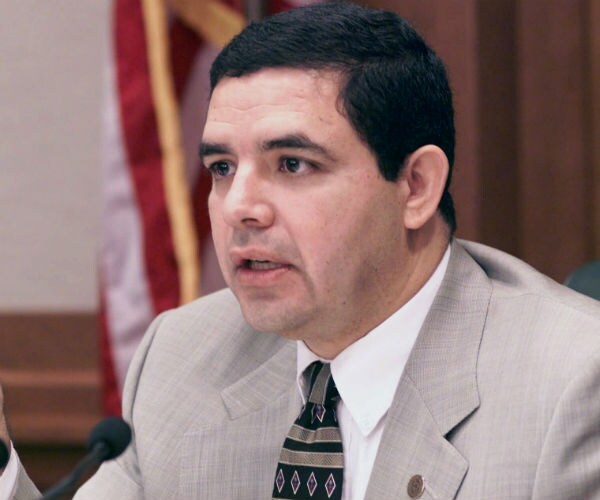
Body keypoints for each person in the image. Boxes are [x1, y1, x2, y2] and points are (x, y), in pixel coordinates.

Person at [2, 2, 600, 498]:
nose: (239, 206)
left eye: (292, 164)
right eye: (220, 167)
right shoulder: (180, 359)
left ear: (416, 186)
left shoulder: (573, 384)